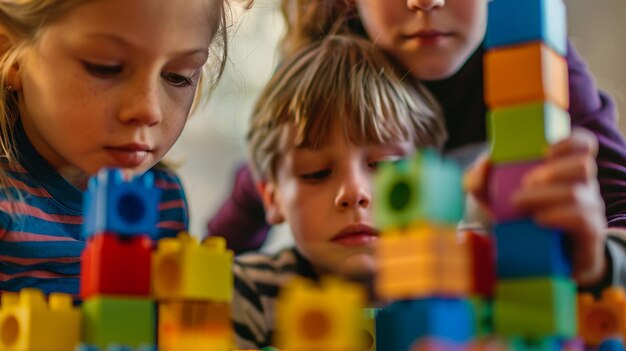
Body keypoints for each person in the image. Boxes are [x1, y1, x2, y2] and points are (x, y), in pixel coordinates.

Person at [209, 0, 626, 291]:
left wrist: (598, 261)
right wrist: (209, 270)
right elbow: (262, 181)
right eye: (320, 172)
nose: (426, 2)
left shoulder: (533, 53)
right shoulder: (328, 60)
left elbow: (618, 203)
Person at [0, 0, 233, 295]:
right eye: (106, 67)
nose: (149, 110)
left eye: (178, 76)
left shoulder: (164, 201)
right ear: (11, 54)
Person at [232, 34, 447, 348]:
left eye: (385, 165)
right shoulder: (245, 294)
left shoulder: (465, 288)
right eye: (316, 173)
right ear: (272, 197)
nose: (353, 192)